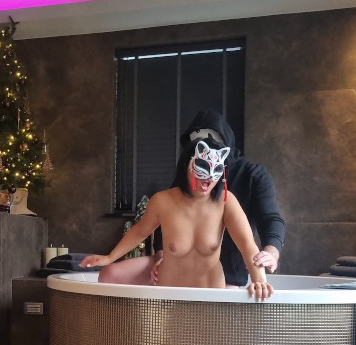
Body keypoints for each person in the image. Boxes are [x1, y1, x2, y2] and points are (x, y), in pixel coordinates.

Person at [98, 109, 285, 287]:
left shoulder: (239, 188)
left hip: (226, 272)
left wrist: (269, 255)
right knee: (110, 274)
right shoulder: (175, 190)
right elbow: (158, 225)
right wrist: (161, 256)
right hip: (174, 271)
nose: (206, 177)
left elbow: (254, 236)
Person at [81, 138, 273, 300]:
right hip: (168, 296)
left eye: (215, 171)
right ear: (187, 165)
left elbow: (247, 245)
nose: (208, 179)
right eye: (202, 167)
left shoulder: (225, 201)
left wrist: (260, 280)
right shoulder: (162, 201)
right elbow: (139, 231)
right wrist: (110, 257)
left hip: (211, 297)